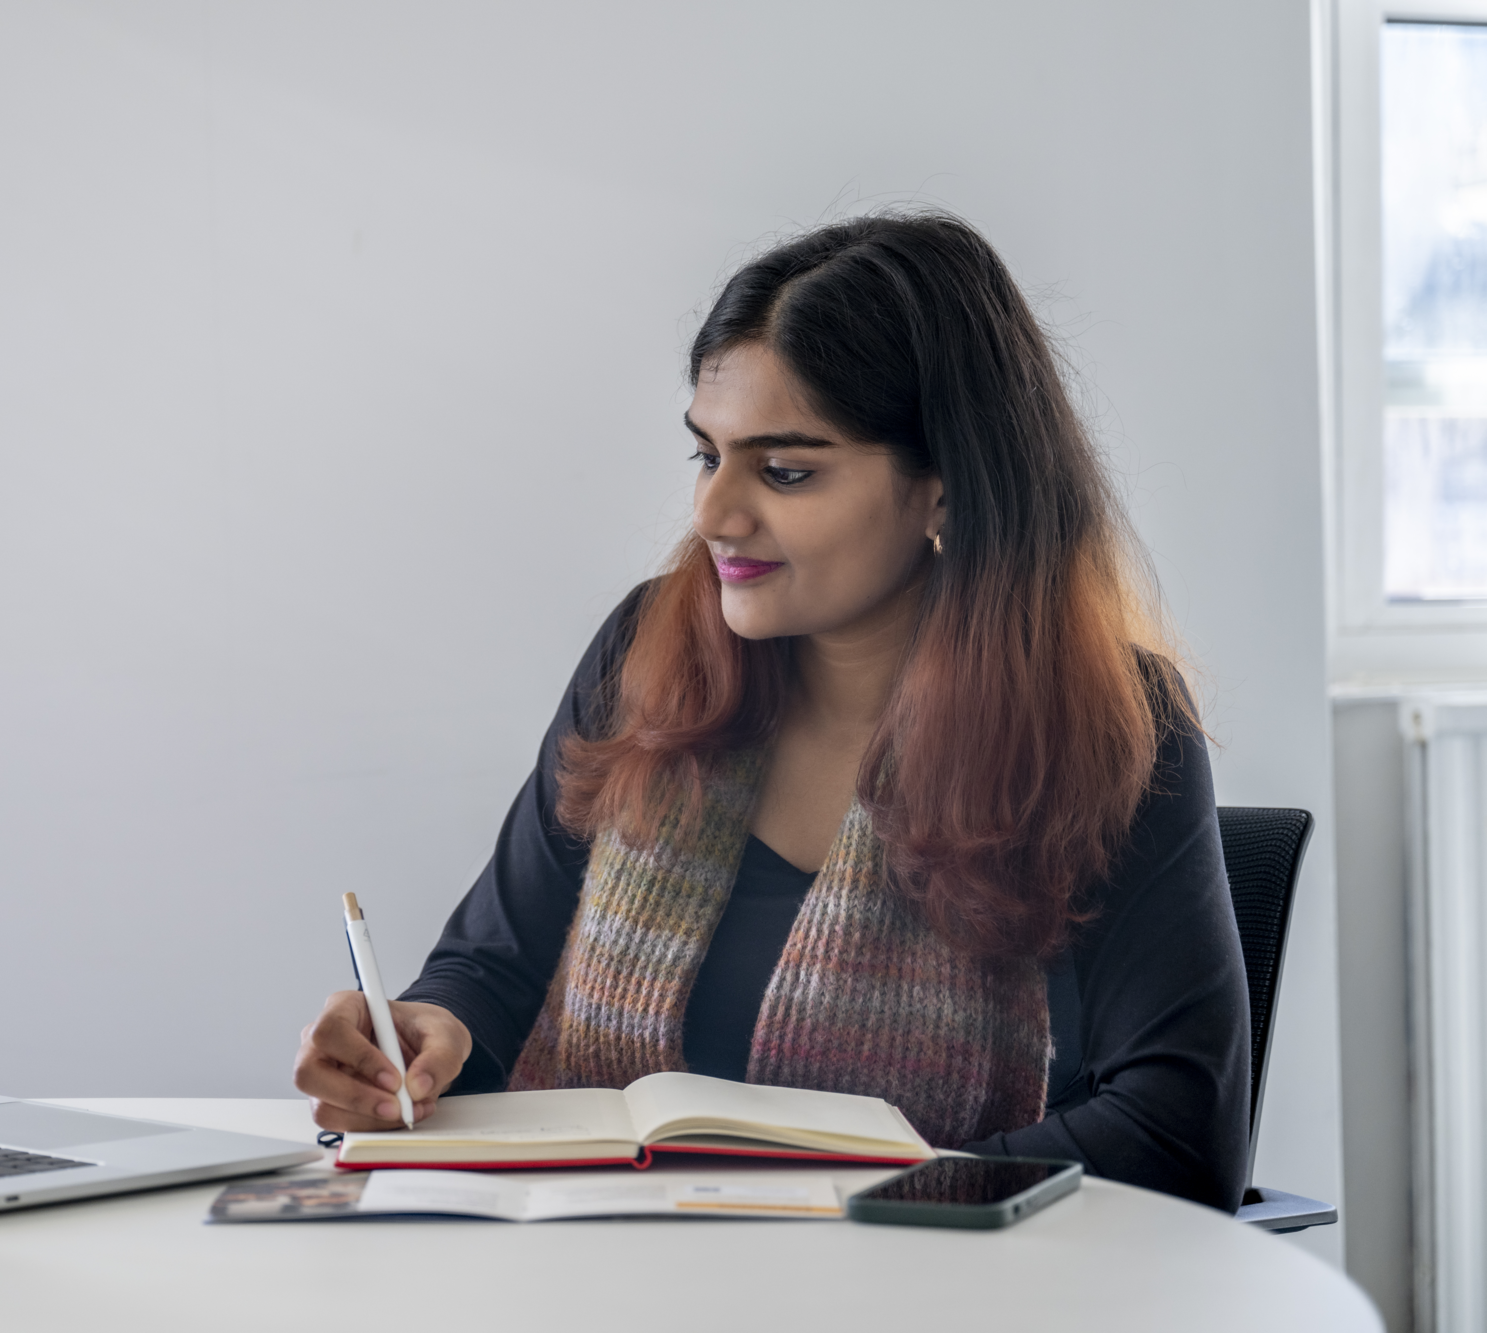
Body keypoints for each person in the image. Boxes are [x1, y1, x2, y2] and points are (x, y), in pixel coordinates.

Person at [292, 212, 1252, 1210]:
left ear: (944, 487)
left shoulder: (1109, 730)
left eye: (784, 470)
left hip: (931, 1295)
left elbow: (1172, 1134)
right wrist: (423, 1031)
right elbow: (491, 966)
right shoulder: (645, 651)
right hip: (594, 1279)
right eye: (707, 456)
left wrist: (835, 1208)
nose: (713, 515)